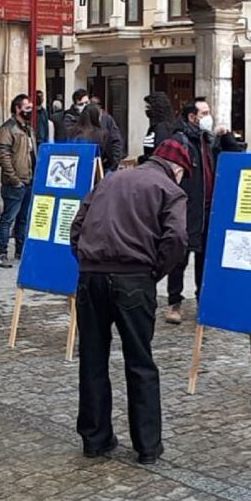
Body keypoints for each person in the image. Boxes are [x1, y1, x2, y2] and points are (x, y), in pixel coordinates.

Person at [69, 139, 189, 466]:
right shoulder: (170, 190)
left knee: (93, 358)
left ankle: (95, 439)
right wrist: (155, 272)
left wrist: (85, 259)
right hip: (134, 277)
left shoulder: (110, 179)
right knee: (140, 361)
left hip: (92, 276)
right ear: (177, 170)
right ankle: (147, 446)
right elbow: (177, 239)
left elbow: (77, 225)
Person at [164, 98, 243, 324]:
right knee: (179, 258)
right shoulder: (180, 141)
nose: (208, 117)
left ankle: (203, 300)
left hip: (209, 208)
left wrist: (225, 136)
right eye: (204, 113)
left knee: (204, 258)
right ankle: (174, 302)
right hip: (186, 209)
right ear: (192, 117)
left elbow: (235, 156)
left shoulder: (209, 141)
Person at [0, 94, 37, 268]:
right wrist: (14, 179)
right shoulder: (7, 129)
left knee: (23, 218)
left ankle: (21, 250)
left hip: (29, 179)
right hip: (15, 182)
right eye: (27, 107)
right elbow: (3, 156)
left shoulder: (28, 129)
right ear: (18, 108)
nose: (30, 110)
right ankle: (2, 253)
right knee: (8, 218)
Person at [70, 104, 120, 172]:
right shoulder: (102, 134)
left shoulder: (74, 132)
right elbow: (110, 156)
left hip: (77, 169)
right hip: (98, 171)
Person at [89, 96, 124, 170]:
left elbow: (116, 140)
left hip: (105, 163)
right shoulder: (85, 119)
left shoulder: (107, 119)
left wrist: (114, 162)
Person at [141, 91, 176, 161]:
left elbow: (161, 153)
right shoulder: (155, 126)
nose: (146, 110)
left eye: (148, 107)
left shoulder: (163, 128)